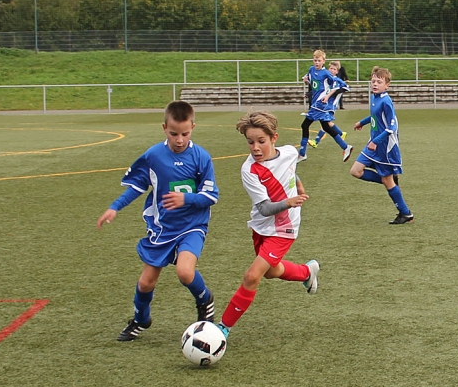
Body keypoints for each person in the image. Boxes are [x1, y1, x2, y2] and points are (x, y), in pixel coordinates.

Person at [96, 100, 219, 341]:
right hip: (163, 229)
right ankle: (141, 319)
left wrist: (186, 199)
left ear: (193, 127)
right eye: (174, 134)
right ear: (164, 128)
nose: (180, 140)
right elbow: (136, 187)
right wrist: (114, 207)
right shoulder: (153, 156)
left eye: (185, 134)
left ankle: (205, 301)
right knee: (145, 283)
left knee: (185, 272)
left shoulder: (201, 157)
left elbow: (211, 196)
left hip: (192, 226)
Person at [217, 110, 319, 337]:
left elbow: (290, 168)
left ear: (274, 138)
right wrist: (289, 201)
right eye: (250, 142)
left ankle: (223, 328)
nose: (255, 148)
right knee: (271, 272)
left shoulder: (290, 152)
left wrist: (298, 184)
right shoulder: (249, 170)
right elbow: (264, 208)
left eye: (261, 141)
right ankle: (306, 272)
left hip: (285, 228)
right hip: (261, 225)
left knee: (252, 276)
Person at [350, 67, 414, 224]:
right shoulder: (374, 97)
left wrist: (376, 142)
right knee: (355, 171)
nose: (375, 84)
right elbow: (375, 116)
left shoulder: (386, 101)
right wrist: (362, 122)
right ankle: (390, 181)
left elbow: (391, 128)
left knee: (387, 181)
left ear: (387, 85)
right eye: (373, 81)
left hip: (385, 148)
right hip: (373, 144)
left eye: (379, 82)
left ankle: (405, 213)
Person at [299, 50, 352, 162]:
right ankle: (346, 147)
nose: (317, 62)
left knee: (305, 125)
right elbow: (312, 84)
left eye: (319, 60)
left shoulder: (326, 74)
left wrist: (327, 96)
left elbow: (336, 85)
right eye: (315, 60)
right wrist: (306, 81)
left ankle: (302, 153)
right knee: (326, 127)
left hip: (320, 104)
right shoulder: (311, 69)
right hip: (315, 102)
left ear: (323, 61)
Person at [309, 60, 349, 149]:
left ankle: (316, 141)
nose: (332, 70)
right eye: (331, 68)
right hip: (325, 104)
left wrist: (336, 92)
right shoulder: (327, 79)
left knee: (325, 123)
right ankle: (341, 133)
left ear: (337, 72)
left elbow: (345, 87)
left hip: (331, 105)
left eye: (334, 69)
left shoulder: (337, 80)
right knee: (327, 123)